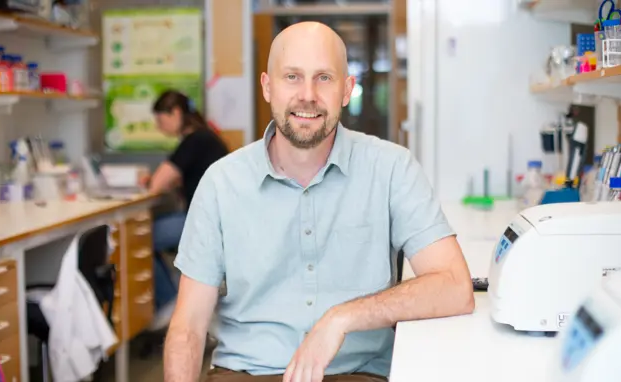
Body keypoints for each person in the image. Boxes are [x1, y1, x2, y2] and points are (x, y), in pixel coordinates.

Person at [164, 22, 474, 382]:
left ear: (346, 90)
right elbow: (188, 327)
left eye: (324, 78)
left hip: (357, 373)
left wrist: (340, 318)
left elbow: (455, 286)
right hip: (247, 373)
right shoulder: (221, 183)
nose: (307, 95)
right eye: (292, 77)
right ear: (268, 87)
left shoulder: (391, 168)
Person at [147, 90, 229, 330]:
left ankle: (169, 302)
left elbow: (156, 185)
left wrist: (152, 181)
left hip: (206, 223)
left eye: (161, 120)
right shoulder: (205, 138)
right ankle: (174, 300)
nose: (159, 126)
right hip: (216, 220)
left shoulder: (194, 140)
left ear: (176, 113)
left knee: (144, 239)